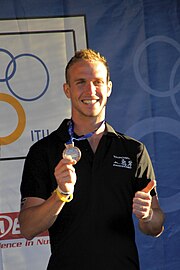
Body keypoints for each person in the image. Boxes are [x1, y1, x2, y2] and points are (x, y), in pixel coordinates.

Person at [19, 49, 165, 269]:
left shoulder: (133, 150)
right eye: (80, 82)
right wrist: (61, 194)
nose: (90, 90)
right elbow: (28, 228)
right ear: (67, 90)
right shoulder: (44, 151)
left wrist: (147, 215)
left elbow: (155, 227)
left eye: (97, 82)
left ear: (109, 88)